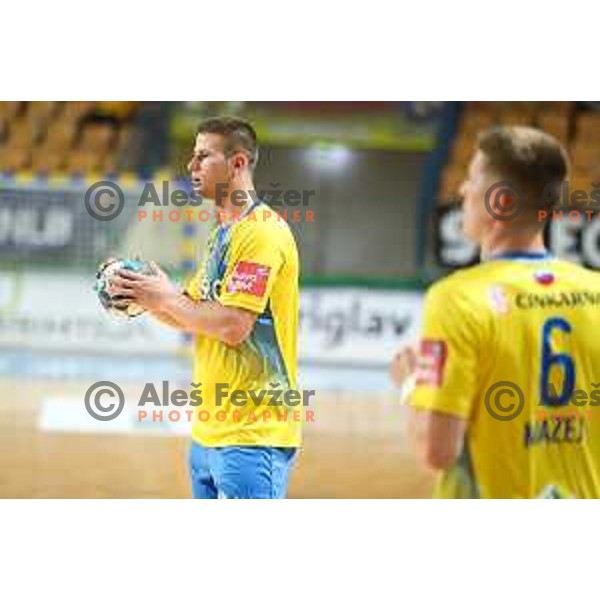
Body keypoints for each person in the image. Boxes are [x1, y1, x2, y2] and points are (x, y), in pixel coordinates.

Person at [392, 125, 600, 498]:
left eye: (472, 179)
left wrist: (410, 386)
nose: (461, 190)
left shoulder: (456, 298)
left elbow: (436, 450)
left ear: (500, 202)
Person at [111, 116, 301, 499]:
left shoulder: (261, 231)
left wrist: (163, 297)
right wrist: (143, 295)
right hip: (208, 434)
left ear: (238, 164)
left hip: (251, 435)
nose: (191, 166)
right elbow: (191, 313)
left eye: (203, 157)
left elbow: (233, 325)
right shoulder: (222, 234)